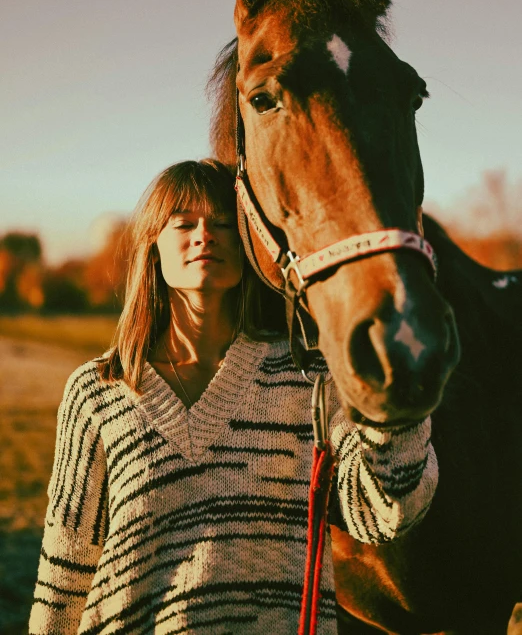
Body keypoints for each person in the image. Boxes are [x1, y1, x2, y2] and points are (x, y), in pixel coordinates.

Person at [29, 159, 438, 635]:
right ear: (152, 247)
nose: (205, 235)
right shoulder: (97, 391)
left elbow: (382, 514)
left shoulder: (309, 381)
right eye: (184, 223)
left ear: (248, 246)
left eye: (223, 223)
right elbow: (66, 563)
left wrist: (400, 400)